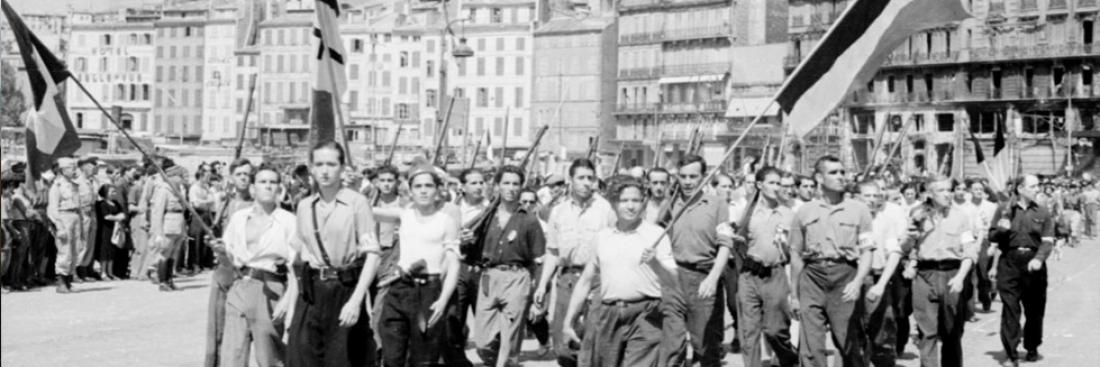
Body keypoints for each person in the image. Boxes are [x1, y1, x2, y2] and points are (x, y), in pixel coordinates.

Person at [560, 175, 678, 367]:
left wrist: (655, 262)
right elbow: (585, 281)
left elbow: (673, 280)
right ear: (613, 203)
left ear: (644, 202)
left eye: (636, 200)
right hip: (609, 314)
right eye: (624, 201)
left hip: (646, 315)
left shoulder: (657, 235)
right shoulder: (603, 237)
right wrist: (568, 322)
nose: (630, 206)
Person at [286, 141, 381, 367]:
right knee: (302, 357)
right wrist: (290, 310)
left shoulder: (357, 203)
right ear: (311, 169)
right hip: (311, 293)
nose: (325, 170)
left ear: (342, 167)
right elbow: (297, 259)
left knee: (342, 359)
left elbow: (373, 255)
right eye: (319, 164)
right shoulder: (304, 206)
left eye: (331, 164)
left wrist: (356, 301)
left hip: (344, 289)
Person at [371, 164, 462, 366]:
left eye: (428, 186)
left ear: (438, 190)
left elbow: (454, 264)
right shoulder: (404, 215)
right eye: (418, 186)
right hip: (400, 287)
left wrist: (443, 299)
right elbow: (365, 210)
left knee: (423, 358)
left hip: (429, 291)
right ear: (410, 191)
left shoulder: (446, 221)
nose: (423, 190)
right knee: (392, 355)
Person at [789, 155, 873, 367]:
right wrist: (795, 295)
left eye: (842, 172)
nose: (841, 177)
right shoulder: (804, 211)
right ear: (819, 177)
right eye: (833, 173)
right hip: (812, 277)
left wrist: (857, 281)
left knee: (848, 342)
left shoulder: (859, 210)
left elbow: (867, 251)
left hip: (844, 277)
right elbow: (796, 255)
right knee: (811, 345)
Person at [214, 165, 297, 367]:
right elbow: (229, 259)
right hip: (239, 287)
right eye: (262, 182)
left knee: (269, 357)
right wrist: (221, 252)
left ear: (280, 188)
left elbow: (296, 266)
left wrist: (287, 299)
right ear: (253, 188)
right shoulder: (238, 218)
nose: (267, 186)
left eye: (273, 182)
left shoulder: (288, 221)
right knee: (232, 355)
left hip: (269, 289)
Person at [540, 158, 616, 367]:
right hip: (567, 280)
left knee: (592, 340)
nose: (586, 183)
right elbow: (553, 252)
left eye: (590, 178)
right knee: (562, 342)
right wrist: (541, 285)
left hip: (596, 280)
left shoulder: (605, 210)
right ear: (570, 180)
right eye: (580, 178)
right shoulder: (559, 211)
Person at [473, 165, 548, 367]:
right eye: (506, 183)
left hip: (517, 277)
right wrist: (466, 240)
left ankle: (505, 362)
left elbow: (540, 259)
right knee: (482, 342)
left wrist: (538, 294)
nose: (511, 188)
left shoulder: (529, 220)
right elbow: (471, 252)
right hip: (490, 277)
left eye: (515, 184)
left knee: (510, 338)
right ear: (497, 185)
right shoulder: (485, 217)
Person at [662, 154, 733, 367]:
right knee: (672, 344)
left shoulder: (717, 204)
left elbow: (725, 245)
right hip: (674, 277)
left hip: (704, 277)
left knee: (705, 345)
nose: (688, 181)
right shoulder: (670, 203)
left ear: (704, 177)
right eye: (683, 176)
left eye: (693, 176)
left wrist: (712, 279)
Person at [904, 175, 978, 367]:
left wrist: (961, 277)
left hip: (951, 274)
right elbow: (908, 246)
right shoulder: (917, 213)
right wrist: (910, 249)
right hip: (925, 276)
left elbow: (969, 251)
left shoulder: (960, 216)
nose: (948, 194)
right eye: (942, 190)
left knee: (952, 332)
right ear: (930, 193)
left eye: (950, 190)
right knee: (926, 332)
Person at [730, 167, 799, 367]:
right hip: (749, 274)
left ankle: (789, 359)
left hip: (775, 274)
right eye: (772, 183)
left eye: (779, 183)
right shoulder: (747, 212)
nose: (776, 187)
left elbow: (794, 251)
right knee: (749, 332)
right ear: (760, 185)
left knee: (775, 330)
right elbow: (739, 239)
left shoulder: (788, 214)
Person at [989, 174, 1054, 367]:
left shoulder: (1042, 211)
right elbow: (991, 236)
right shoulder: (1004, 209)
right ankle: (1011, 353)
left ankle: (1032, 346)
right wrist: (1001, 230)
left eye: (1037, 186)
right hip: (1010, 262)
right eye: (1033, 186)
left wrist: (1039, 258)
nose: (1037, 190)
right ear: (1020, 189)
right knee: (1010, 309)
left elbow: (1048, 240)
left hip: (1034, 264)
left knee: (1034, 310)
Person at [206, 158, 255, 367]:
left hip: (245, 272)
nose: (243, 178)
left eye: (247, 174)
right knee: (217, 329)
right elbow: (217, 230)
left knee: (240, 336)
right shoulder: (225, 202)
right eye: (239, 174)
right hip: (224, 270)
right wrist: (213, 242)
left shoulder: (257, 204)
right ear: (232, 177)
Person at [856, 180, 906, 367]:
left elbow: (894, 252)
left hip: (877, 280)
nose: (871, 200)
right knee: (853, 335)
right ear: (858, 197)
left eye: (875, 196)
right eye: (867, 195)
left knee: (882, 333)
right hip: (852, 281)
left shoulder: (885, 221)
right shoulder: (850, 220)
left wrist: (881, 284)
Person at [149, 162, 190, 291]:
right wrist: (158, 232)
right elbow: (157, 212)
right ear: (172, 176)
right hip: (168, 226)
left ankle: (169, 280)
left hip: (178, 225)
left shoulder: (178, 190)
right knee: (165, 254)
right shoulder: (164, 190)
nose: (182, 179)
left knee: (173, 254)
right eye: (180, 176)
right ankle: (162, 282)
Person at [47, 157, 84, 293]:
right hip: (64, 217)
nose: (74, 170)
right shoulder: (57, 186)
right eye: (70, 167)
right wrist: (59, 226)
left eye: (74, 167)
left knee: (75, 250)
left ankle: (68, 280)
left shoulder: (74, 185)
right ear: (62, 170)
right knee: (65, 250)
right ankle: (61, 281)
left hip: (75, 216)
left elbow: (79, 205)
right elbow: (53, 208)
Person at [75, 157, 102, 281]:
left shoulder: (95, 181)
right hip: (82, 214)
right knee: (81, 243)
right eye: (91, 165)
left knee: (90, 243)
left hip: (92, 213)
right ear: (83, 167)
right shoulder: (77, 182)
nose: (94, 168)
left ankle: (85, 269)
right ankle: (75, 270)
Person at [94, 185, 126, 280]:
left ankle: (110, 272)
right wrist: (117, 217)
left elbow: (122, 213)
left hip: (115, 229)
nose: (114, 193)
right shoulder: (102, 204)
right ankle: (103, 272)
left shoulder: (115, 203)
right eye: (112, 191)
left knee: (112, 250)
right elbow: (105, 216)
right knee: (104, 251)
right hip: (105, 230)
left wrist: (120, 217)